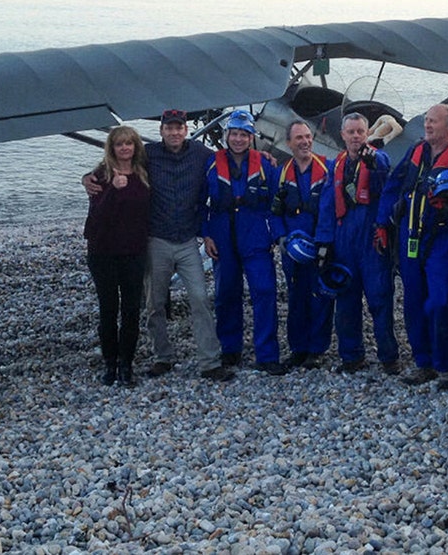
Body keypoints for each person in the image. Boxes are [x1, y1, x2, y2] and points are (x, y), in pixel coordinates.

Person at [83, 109, 231, 381]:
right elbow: (115, 161)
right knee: (154, 303)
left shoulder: (200, 153)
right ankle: (162, 356)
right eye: (169, 128)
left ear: (186, 130)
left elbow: (228, 159)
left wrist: (265, 157)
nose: (174, 132)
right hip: (156, 240)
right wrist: (87, 177)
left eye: (179, 128)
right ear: (162, 131)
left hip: (188, 240)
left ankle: (210, 361)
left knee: (199, 298)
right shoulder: (148, 154)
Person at [378, 104, 448, 390]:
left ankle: (445, 366)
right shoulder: (417, 152)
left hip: (443, 240)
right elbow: (393, 185)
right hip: (410, 238)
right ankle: (422, 362)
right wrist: (382, 222)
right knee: (413, 301)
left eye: (433, 121)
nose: (427, 125)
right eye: (426, 120)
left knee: (438, 302)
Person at [202, 110, 287, 375]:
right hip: (222, 235)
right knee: (226, 293)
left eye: (244, 135)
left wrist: (276, 234)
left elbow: (277, 202)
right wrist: (205, 234)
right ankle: (230, 349)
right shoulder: (211, 164)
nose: (238, 139)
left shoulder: (265, 164)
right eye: (234, 134)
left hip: (255, 235)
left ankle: (267, 353)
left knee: (264, 291)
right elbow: (199, 203)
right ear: (227, 135)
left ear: (251, 137)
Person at [315, 112, 400, 374]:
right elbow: (327, 206)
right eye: (350, 132)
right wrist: (324, 243)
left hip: (370, 241)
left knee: (380, 299)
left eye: (360, 132)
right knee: (346, 301)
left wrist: (374, 165)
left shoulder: (378, 158)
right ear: (342, 135)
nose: (355, 137)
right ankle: (351, 356)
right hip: (344, 241)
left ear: (367, 134)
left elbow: (385, 178)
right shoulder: (336, 165)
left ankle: (388, 357)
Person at [84, 125, 151, 387]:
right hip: (103, 251)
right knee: (108, 308)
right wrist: (112, 188)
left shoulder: (145, 173)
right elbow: (98, 216)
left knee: (132, 309)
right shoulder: (101, 174)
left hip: (134, 250)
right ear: (111, 148)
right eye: (119, 144)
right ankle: (110, 364)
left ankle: (127, 364)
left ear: (136, 147)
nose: (124, 148)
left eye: (129, 144)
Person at [273, 121, 334, 368]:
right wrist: (282, 238)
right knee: (296, 296)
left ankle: (317, 349)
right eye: (299, 138)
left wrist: (324, 242)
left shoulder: (327, 168)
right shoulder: (281, 173)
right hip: (293, 248)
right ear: (288, 143)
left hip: (320, 243)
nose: (305, 142)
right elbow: (274, 211)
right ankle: (298, 347)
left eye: (308, 137)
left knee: (321, 294)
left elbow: (331, 209)